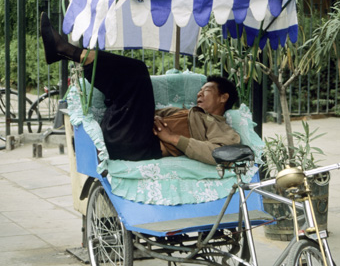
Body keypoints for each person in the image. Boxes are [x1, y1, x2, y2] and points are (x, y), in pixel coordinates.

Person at [40, 13, 240, 165]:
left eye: (206, 90)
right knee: (131, 77)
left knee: (137, 71)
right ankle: (66, 52)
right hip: (126, 130)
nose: (199, 93)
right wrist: (153, 117)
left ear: (223, 97)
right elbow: (147, 110)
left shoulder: (223, 129)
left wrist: (173, 138)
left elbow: (219, 153)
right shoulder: (190, 113)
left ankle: (66, 51)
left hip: (138, 145)